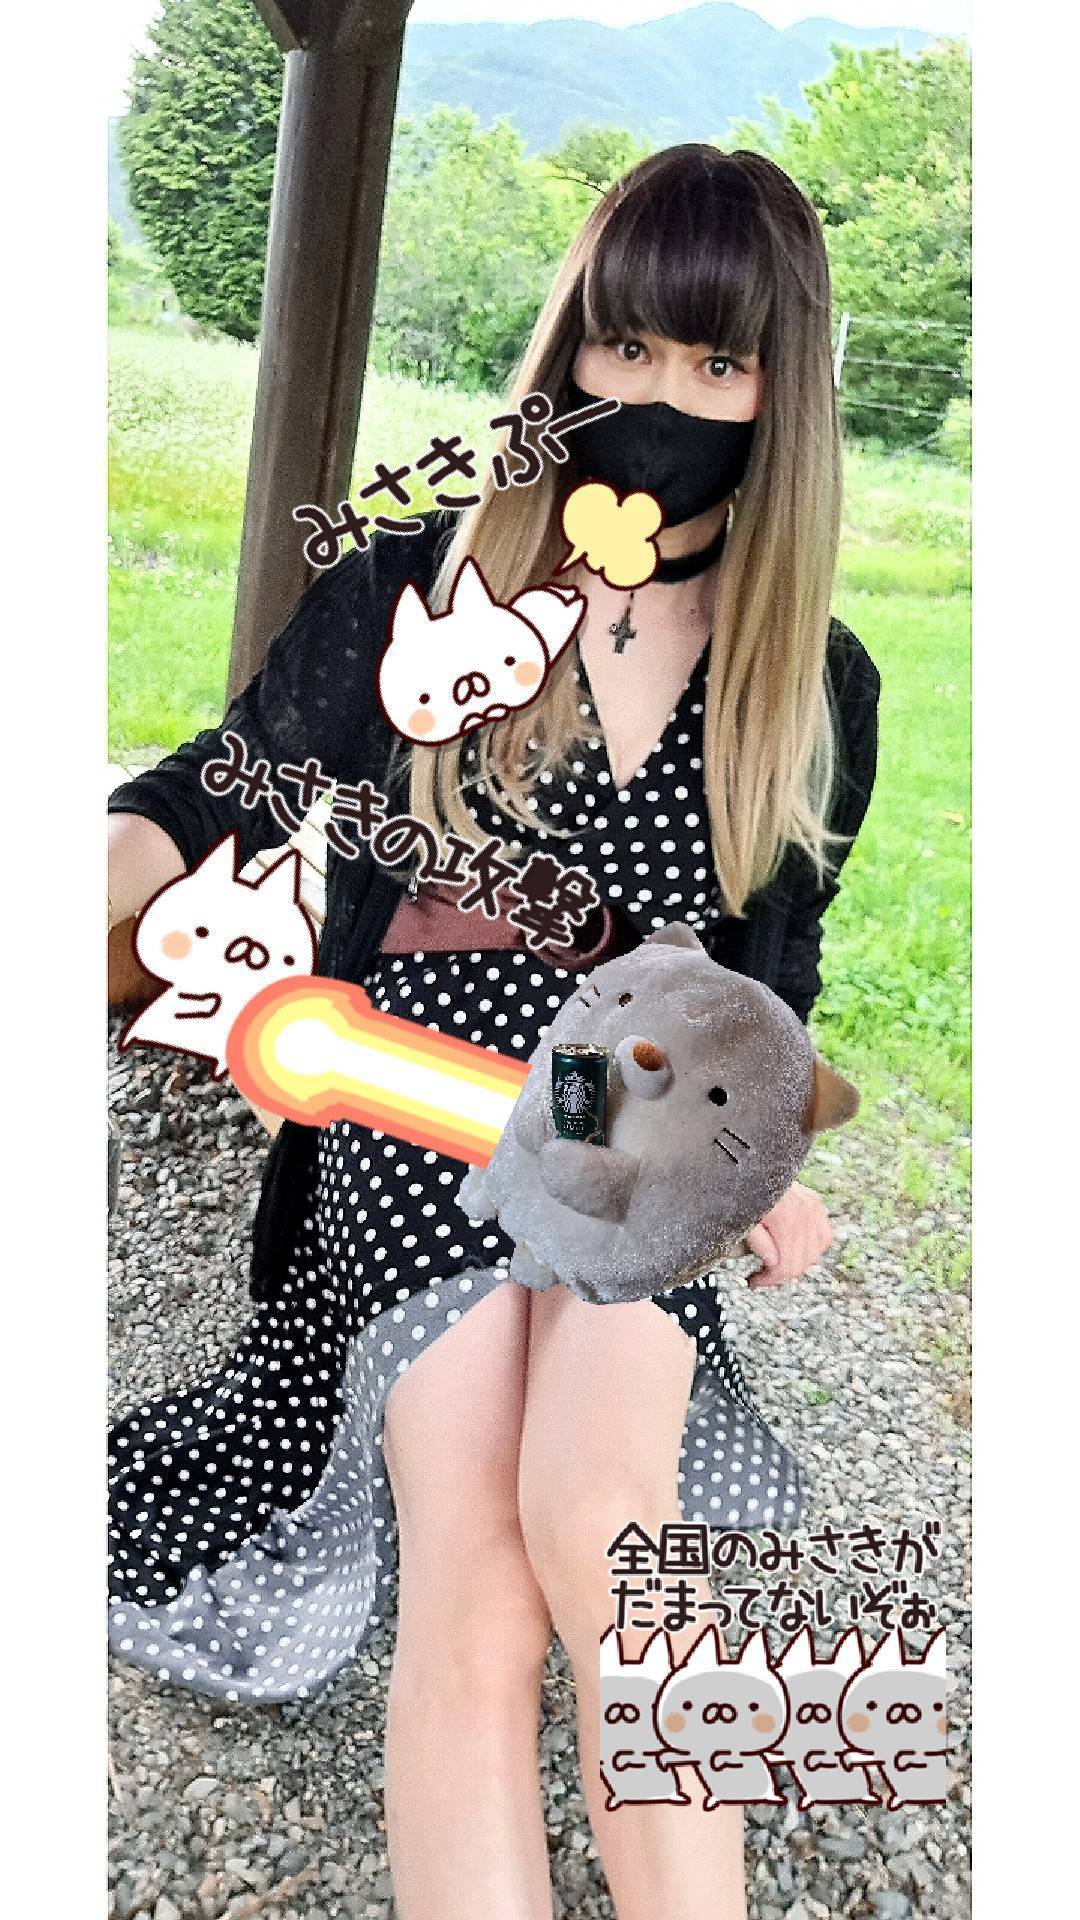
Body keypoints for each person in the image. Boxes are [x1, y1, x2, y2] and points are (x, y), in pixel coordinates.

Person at [107, 144, 880, 1920]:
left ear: (779, 392)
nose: (659, 395)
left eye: (716, 363)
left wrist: (765, 1155)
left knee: (606, 1530)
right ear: (570, 351)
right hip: (416, 1100)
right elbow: (217, 786)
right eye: (627, 345)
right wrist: (103, 879)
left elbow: (774, 976)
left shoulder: (811, 678)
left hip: (639, 1128)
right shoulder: (420, 588)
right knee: (480, 1584)